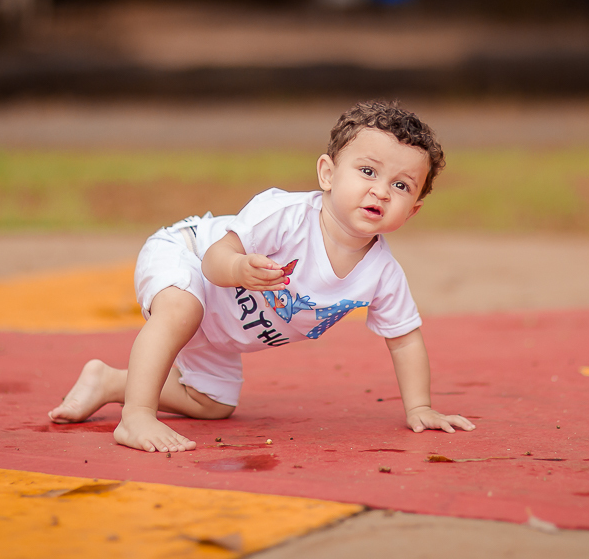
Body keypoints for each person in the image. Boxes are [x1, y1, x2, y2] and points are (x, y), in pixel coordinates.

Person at [48, 100, 475, 452]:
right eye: (367, 171)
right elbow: (217, 258)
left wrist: (420, 407)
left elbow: (404, 339)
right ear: (327, 173)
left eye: (401, 186)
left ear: (414, 208)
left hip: (223, 327)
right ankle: (136, 417)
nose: (381, 190)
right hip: (190, 256)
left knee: (213, 403)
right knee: (181, 308)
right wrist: (237, 268)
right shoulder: (285, 216)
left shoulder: (382, 274)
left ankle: (108, 382)